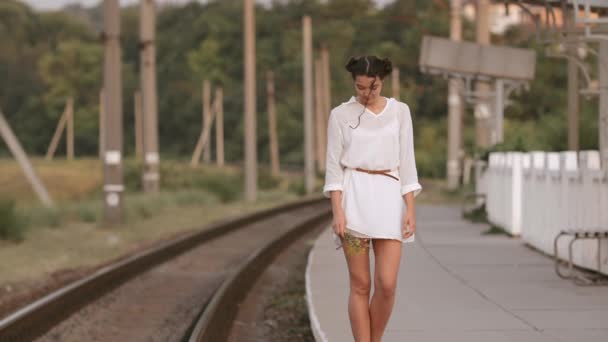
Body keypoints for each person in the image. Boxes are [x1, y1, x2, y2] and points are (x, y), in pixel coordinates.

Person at [322, 55, 422, 342]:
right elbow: (333, 168)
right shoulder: (340, 115)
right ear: (354, 82)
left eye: (373, 87)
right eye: (361, 87)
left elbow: (408, 162)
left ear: (382, 81)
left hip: (390, 200)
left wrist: (410, 209)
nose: (366, 93)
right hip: (353, 201)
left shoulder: (400, 112)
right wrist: (337, 211)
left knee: (387, 284)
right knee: (360, 284)